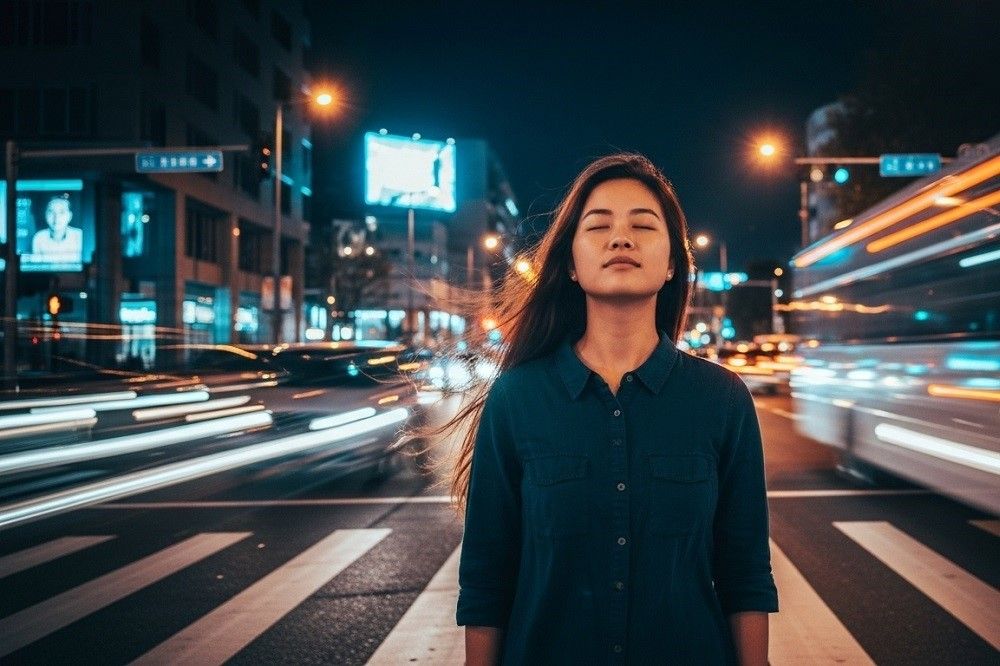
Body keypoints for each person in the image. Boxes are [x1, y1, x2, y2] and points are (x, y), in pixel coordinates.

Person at [449, 154, 778, 664]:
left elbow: (746, 572)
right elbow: (486, 580)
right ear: (571, 264)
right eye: (599, 226)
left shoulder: (723, 399)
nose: (620, 239)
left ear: (672, 264)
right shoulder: (516, 398)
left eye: (642, 226)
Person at [31, 195, 82, 262]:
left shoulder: (79, 236)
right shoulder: (39, 237)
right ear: (45, 214)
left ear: (69, 216)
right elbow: (36, 266)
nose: (56, 217)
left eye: (61, 212)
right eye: (51, 212)